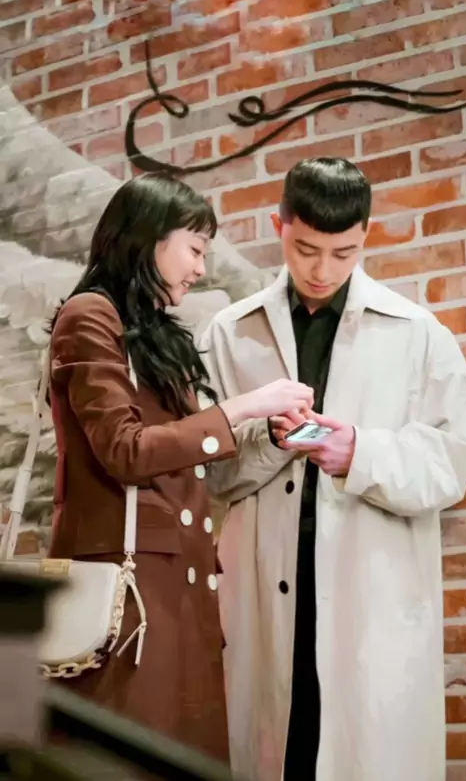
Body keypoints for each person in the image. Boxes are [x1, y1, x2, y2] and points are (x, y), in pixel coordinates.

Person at [199, 157, 466, 781]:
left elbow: (452, 463)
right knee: (275, 755)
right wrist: (270, 441)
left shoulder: (419, 334)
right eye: (306, 249)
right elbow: (206, 474)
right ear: (280, 226)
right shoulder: (228, 334)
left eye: (343, 253)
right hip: (264, 589)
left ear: (365, 236)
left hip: (369, 592)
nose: (322, 270)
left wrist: (361, 453)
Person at [47, 173, 314, 763]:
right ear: (148, 238)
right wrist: (244, 406)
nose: (200, 268)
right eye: (194, 248)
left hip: (179, 587)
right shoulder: (89, 315)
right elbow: (126, 450)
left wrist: (266, 432)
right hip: (129, 596)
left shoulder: (158, 334)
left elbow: (179, 450)